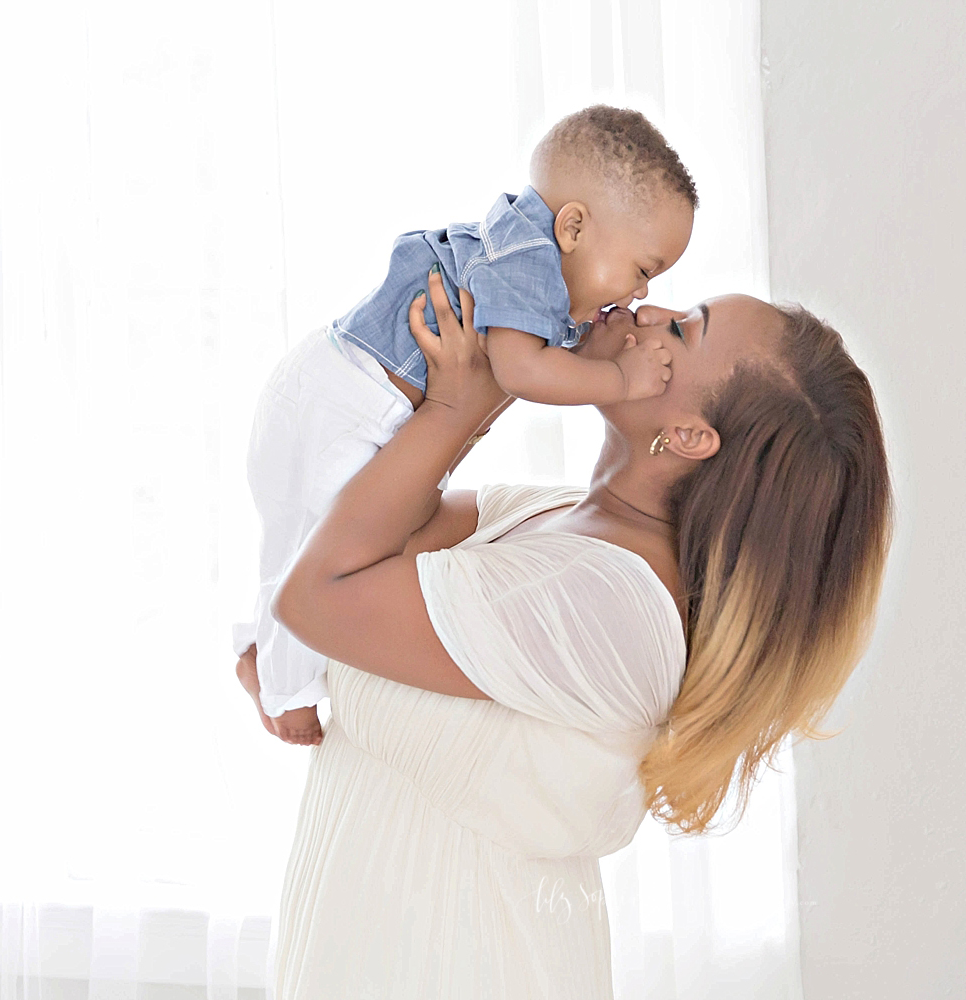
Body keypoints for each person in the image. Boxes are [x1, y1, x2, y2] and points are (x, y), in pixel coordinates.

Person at [240, 267, 891, 997]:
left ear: (687, 435)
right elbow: (356, 542)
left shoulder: (609, 603)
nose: (647, 312)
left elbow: (318, 597)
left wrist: (464, 400)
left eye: (682, 328)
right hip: (368, 936)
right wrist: (495, 369)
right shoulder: (555, 516)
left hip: (454, 964)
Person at [233, 106, 697, 745]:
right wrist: (621, 381)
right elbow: (518, 372)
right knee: (318, 553)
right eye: (644, 270)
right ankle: (282, 693)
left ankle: (260, 656)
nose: (641, 297)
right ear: (573, 226)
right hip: (345, 405)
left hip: (327, 386)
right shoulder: (528, 265)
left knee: (296, 537)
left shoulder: (524, 255)